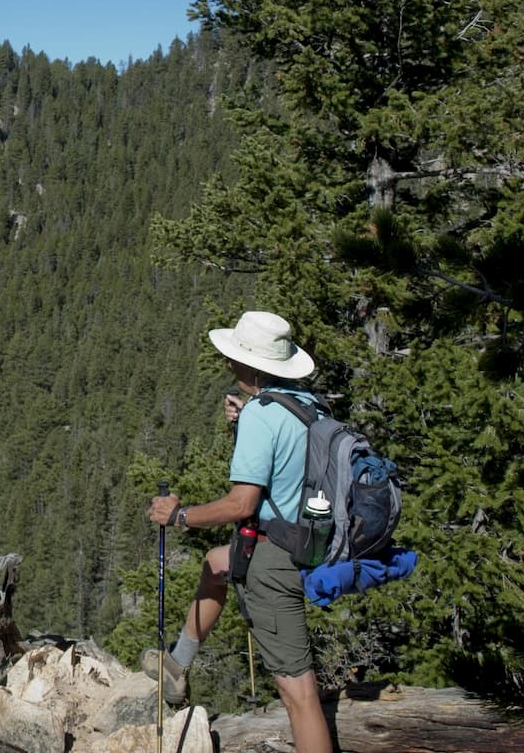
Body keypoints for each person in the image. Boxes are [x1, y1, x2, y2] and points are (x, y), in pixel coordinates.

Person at [143, 310, 332, 753]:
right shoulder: (306, 405)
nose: (230, 367)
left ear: (250, 366)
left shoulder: (262, 416)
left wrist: (179, 515)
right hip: (306, 538)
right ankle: (177, 664)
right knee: (216, 563)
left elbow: (241, 504)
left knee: (299, 695)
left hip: (274, 557)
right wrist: (243, 423)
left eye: (234, 360)